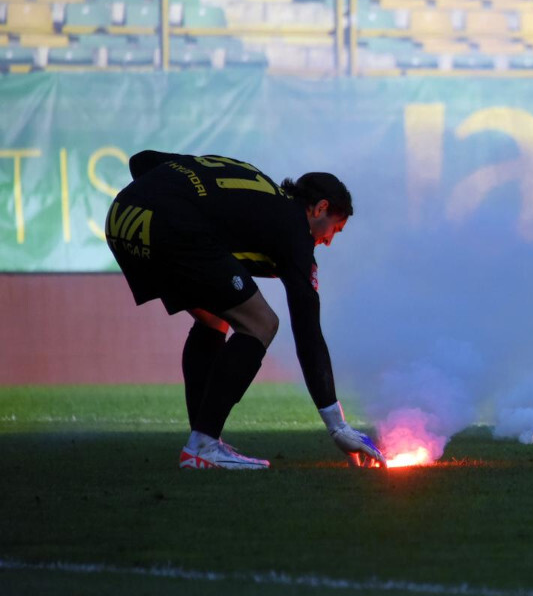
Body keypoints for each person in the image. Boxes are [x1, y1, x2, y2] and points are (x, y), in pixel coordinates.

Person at [105, 150, 386, 470]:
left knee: (214, 318)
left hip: (122, 219)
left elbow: (141, 161)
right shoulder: (294, 230)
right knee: (261, 323)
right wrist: (337, 425)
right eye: (334, 229)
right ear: (320, 208)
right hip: (172, 225)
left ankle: (202, 440)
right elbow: (307, 332)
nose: (328, 241)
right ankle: (203, 445)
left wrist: (164, 200)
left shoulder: (257, 188)